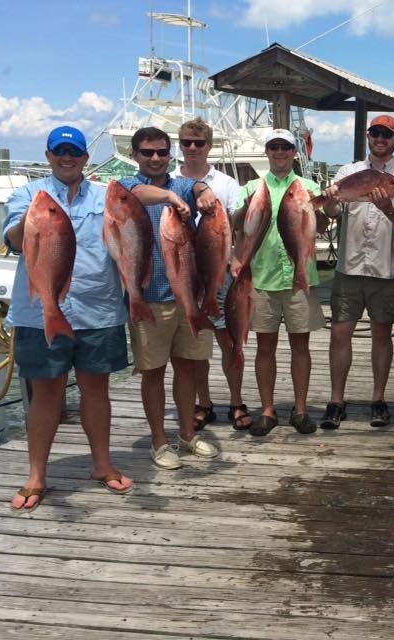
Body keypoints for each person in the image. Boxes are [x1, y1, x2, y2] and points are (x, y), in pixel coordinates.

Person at [3, 126, 133, 510]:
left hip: (99, 309)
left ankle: (102, 464)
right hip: (40, 311)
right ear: (48, 155)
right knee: (46, 393)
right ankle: (36, 474)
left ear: (85, 158)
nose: (67, 157)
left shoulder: (105, 197)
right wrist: (27, 221)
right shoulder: (29, 195)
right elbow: (11, 240)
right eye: (59, 150)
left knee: (97, 391)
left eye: (74, 151)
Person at [119, 126, 221, 469]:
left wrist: (203, 188)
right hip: (149, 299)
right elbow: (140, 193)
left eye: (162, 152)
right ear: (135, 155)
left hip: (189, 296)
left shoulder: (180, 186)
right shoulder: (126, 188)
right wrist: (167, 199)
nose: (155, 158)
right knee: (153, 371)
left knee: (188, 368)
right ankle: (159, 441)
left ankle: (188, 433)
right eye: (147, 152)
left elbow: (192, 186)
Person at [233, 129, 329, 436]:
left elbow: (323, 225)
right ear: (267, 152)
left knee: (301, 346)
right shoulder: (251, 186)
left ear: (293, 152)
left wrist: (328, 208)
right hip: (261, 278)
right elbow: (238, 226)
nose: (279, 152)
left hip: (301, 280)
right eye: (273, 147)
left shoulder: (309, 186)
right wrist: (243, 207)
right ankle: (267, 410)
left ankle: (300, 410)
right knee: (265, 347)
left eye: (285, 147)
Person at [319, 115, 394, 429]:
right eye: (375, 133)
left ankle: (378, 399)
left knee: (382, 335)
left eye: (387, 134)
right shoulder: (349, 172)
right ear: (368, 137)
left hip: (389, 269)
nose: (380, 138)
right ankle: (335, 400)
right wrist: (328, 200)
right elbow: (332, 212)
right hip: (350, 266)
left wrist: (387, 207)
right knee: (339, 333)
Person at [171, 118, 251, 432]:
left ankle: (236, 400)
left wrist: (237, 260)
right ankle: (203, 402)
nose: (192, 148)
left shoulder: (227, 184)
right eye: (187, 142)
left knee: (228, 340)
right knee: (196, 343)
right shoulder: (170, 181)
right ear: (180, 145)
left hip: (219, 271)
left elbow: (236, 227)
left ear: (209, 146)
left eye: (199, 143)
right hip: (187, 274)